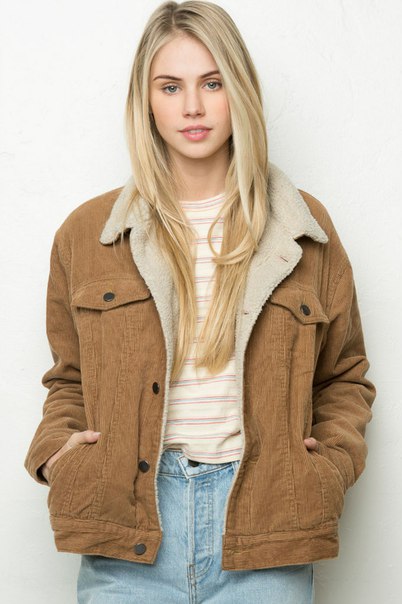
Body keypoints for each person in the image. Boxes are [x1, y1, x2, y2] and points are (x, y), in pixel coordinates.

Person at [24, 1, 376, 602]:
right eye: (171, 86)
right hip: (128, 532)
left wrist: (328, 468)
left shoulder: (302, 229)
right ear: (146, 101)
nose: (192, 106)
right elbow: (69, 379)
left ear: (240, 91)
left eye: (212, 83)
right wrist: (58, 455)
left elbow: (344, 376)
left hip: (267, 530)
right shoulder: (89, 235)